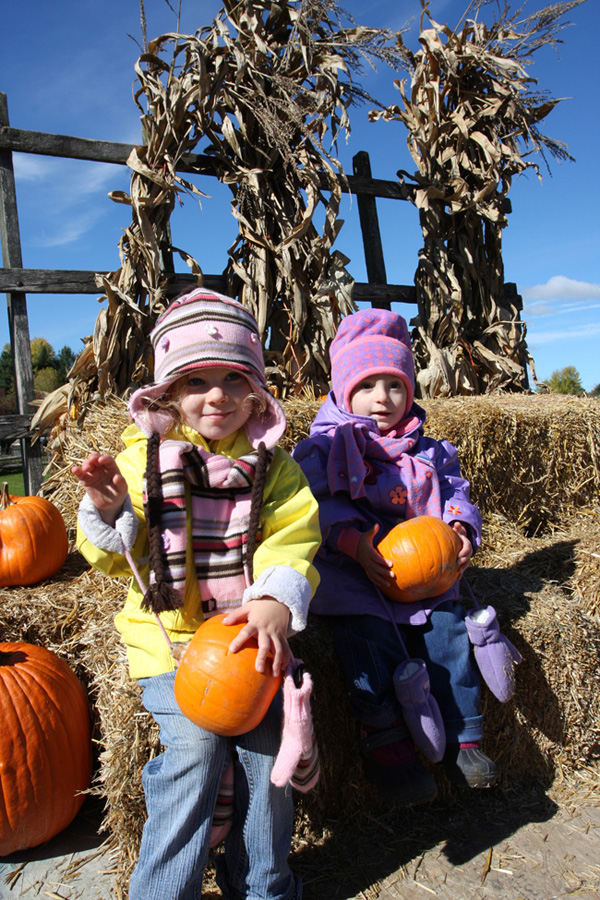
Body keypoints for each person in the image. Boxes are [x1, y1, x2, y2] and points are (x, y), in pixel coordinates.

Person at [73, 288, 321, 900]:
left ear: (257, 392)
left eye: (234, 379)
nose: (217, 396)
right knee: (194, 750)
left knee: (269, 761)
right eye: (196, 381)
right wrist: (110, 512)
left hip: (248, 638)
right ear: (168, 394)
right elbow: (115, 559)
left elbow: (294, 537)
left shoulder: (275, 467)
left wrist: (275, 599)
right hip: (173, 646)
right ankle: (165, 889)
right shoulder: (144, 462)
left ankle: (265, 886)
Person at [294, 307, 497, 808]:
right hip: (357, 573)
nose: (381, 398)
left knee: (448, 635)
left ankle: (464, 735)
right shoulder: (323, 448)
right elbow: (311, 507)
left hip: (427, 573)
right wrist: (353, 543)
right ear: (343, 391)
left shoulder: (428, 449)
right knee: (368, 639)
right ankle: (384, 737)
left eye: (394, 385)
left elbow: (455, 491)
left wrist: (460, 527)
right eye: (367, 386)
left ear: (410, 390)